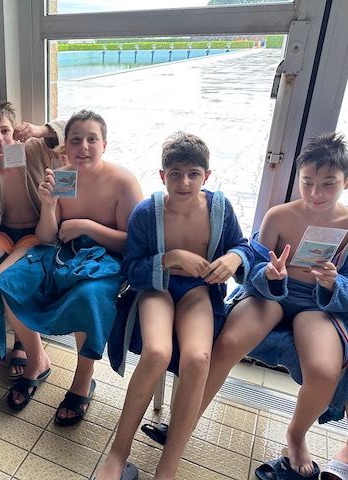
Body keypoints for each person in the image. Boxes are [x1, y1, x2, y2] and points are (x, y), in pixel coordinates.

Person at [174, 131, 348, 480]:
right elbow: (250, 266)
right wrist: (270, 274)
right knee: (227, 343)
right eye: (307, 183)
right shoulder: (279, 216)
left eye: (328, 184)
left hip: (318, 306)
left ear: (345, 182)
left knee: (326, 371)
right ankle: (185, 423)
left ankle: (296, 435)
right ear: (298, 179)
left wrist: (334, 283)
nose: (316, 193)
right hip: (272, 296)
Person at [98, 132, 252, 480]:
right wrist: (170, 258)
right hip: (158, 288)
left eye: (193, 174)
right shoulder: (147, 213)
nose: (184, 182)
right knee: (156, 352)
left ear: (207, 176)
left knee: (198, 359)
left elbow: (243, 246)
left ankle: (168, 466)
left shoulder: (220, 209)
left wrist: (233, 257)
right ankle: (118, 452)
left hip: (198, 291)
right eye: (176, 174)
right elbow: (132, 269)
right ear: (162, 175)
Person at [0, 110, 144, 425]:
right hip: (62, 253)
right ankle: (37, 360)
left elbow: (132, 244)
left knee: (87, 296)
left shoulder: (122, 181)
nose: (83, 147)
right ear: (66, 145)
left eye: (91, 140)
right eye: (75, 140)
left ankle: (82, 381)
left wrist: (87, 226)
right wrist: (48, 206)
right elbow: (47, 237)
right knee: (8, 282)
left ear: (104, 144)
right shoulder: (62, 176)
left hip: (107, 262)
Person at [0, 100, 68, 379]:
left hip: (35, 233)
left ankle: (22, 340)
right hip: (3, 232)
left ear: (15, 131)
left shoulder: (33, 149)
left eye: (5, 130)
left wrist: (42, 130)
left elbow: (74, 133)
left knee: (6, 278)